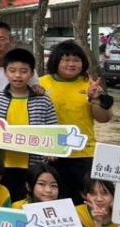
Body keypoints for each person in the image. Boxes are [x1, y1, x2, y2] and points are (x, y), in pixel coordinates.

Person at [41, 40, 113, 204]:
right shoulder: (41, 84)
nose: (71, 64)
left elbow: (104, 118)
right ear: (55, 61)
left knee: (84, 201)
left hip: (84, 153)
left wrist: (96, 99)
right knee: (54, 200)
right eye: (66, 60)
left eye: (76, 60)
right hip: (51, 153)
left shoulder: (89, 84)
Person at [0, 48, 57, 201]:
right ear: (5, 72)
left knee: (31, 204)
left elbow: (53, 130)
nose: (17, 75)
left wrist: (53, 150)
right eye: (12, 70)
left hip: (35, 166)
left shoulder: (43, 101)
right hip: (2, 166)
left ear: (31, 74)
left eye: (23, 71)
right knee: (4, 202)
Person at [13, 163, 82, 227]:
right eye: (42, 184)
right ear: (29, 186)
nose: (48, 190)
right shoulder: (18, 207)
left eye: (53, 185)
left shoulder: (64, 209)